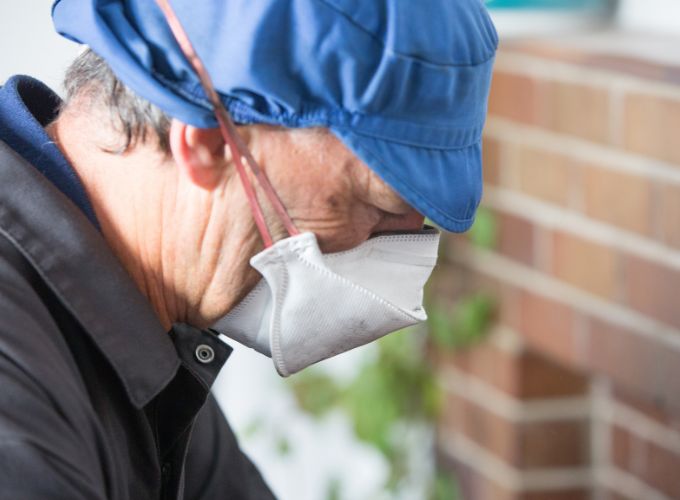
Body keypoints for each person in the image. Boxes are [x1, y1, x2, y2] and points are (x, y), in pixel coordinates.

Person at [0, 0, 497, 498]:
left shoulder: (140, 331)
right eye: (379, 205)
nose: (399, 252)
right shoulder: (17, 387)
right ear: (211, 145)